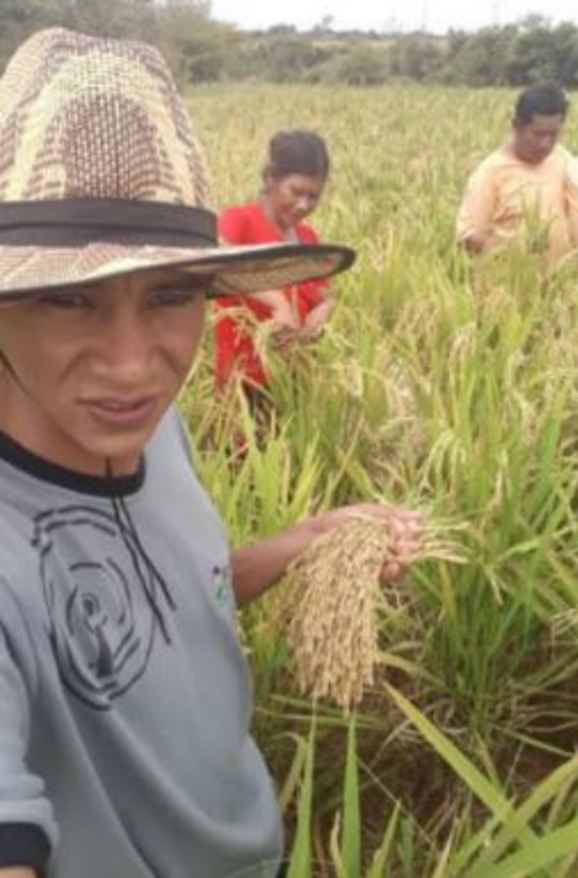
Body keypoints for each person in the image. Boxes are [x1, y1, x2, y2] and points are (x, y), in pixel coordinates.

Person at [0, 28, 422, 878]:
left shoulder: (156, 428)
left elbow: (183, 593)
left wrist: (303, 539)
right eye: (65, 300)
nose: (131, 364)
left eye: (171, 294)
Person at [214, 130, 335, 392]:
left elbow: (325, 295)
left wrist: (322, 312)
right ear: (271, 178)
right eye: (296, 191)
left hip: (296, 383)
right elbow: (217, 259)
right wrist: (276, 300)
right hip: (243, 387)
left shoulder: (308, 238)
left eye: (313, 197)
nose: (303, 204)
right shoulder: (240, 220)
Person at [456, 83, 572, 262]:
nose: (545, 144)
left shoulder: (563, 159)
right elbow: (467, 238)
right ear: (516, 126)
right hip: (509, 286)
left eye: (553, 135)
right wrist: (516, 251)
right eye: (538, 134)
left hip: (561, 284)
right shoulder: (491, 173)